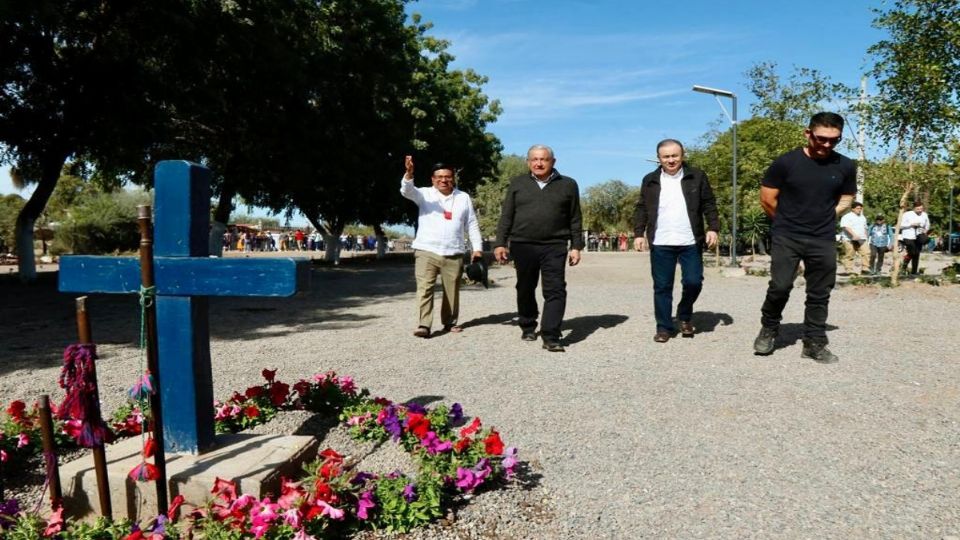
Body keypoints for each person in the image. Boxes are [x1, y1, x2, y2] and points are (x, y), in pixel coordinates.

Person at [753, 112, 857, 364]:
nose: (827, 145)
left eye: (834, 140)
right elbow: (767, 199)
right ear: (808, 133)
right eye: (821, 139)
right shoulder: (786, 163)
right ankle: (769, 328)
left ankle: (814, 342)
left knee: (820, 291)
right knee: (780, 286)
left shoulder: (845, 165)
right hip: (787, 235)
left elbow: (847, 197)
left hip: (822, 237)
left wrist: (828, 215)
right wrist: (787, 221)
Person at [494, 144, 583, 352]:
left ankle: (551, 335)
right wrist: (500, 242)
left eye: (543, 159)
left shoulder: (568, 184)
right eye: (534, 159)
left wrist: (576, 246)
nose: (539, 163)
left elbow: (575, 217)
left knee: (555, 290)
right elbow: (507, 216)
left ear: (553, 162)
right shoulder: (518, 184)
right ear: (528, 162)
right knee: (525, 287)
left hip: (555, 244)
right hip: (522, 244)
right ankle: (527, 324)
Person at [633, 139, 720, 342]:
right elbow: (641, 207)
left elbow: (709, 204)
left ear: (682, 155)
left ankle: (684, 314)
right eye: (666, 157)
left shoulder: (696, 176)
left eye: (674, 155)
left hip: (690, 240)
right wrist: (638, 233)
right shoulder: (650, 180)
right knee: (662, 286)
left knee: (694, 282)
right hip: (661, 241)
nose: (671, 160)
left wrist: (713, 228)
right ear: (659, 158)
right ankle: (664, 327)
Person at [401, 156, 482, 338]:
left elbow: (472, 224)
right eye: (439, 177)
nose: (443, 180)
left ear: (453, 178)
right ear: (432, 179)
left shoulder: (463, 197)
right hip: (426, 251)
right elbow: (407, 190)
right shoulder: (424, 194)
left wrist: (477, 248)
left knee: (452, 290)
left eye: (447, 176)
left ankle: (449, 322)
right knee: (425, 288)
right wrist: (409, 173)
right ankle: (424, 324)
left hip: (454, 251)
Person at [899, 201, 930, 275]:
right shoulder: (907, 214)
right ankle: (904, 266)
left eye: (921, 209)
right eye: (918, 209)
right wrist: (911, 224)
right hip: (908, 236)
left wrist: (925, 230)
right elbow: (900, 225)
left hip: (919, 236)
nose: (920, 210)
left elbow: (927, 224)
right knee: (912, 252)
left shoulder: (924, 215)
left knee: (917, 254)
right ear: (914, 208)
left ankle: (914, 271)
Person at [838, 201, 869, 275]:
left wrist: (866, 235)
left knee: (866, 252)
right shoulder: (847, 216)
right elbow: (846, 227)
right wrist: (853, 235)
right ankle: (849, 270)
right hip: (849, 239)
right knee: (850, 254)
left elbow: (865, 227)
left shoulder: (862, 217)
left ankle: (865, 268)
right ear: (852, 209)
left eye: (860, 208)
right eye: (858, 208)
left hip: (862, 238)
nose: (859, 210)